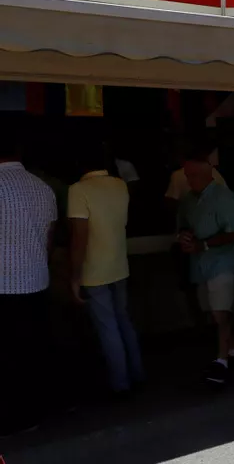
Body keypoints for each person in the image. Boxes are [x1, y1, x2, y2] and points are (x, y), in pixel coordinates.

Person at [69, 140, 144, 395]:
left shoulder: (78, 190)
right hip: (119, 265)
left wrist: (75, 275)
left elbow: (80, 237)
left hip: (95, 270)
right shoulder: (120, 185)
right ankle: (137, 373)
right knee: (123, 320)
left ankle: (120, 384)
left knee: (107, 326)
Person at [0, 133, 57, 436]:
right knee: (31, 351)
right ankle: (33, 414)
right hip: (36, 280)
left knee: (6, 356)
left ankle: (10, 418)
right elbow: (49, 239)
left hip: (3, 286)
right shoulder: (43, 188)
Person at [177, 147, 234, 385]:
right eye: (187, 175)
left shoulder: (224, 197)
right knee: (218, 312)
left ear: (208, 175)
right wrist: (184, 238)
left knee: (219, 312)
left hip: (222, 261)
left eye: (194, 175)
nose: (189, 180)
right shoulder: (186, 200)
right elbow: (183, 227)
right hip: (200, 265)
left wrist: (203, 245)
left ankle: (221, 361)